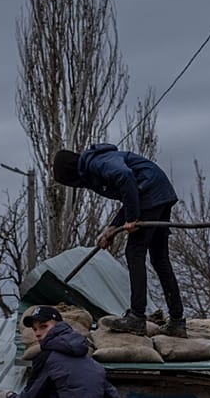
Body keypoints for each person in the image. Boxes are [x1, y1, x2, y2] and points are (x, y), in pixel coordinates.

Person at [52, 143, 186, 337]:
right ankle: (177, 321)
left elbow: (125, 177)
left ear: (72, 174)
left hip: (151, 192)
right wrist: (112, 228)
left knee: (134, 252)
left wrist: (132, 218)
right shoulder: (95, 164)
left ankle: (137, 317)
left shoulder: (97, 162)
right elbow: (130, 193)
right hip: (157, 192)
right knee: (159, 259)